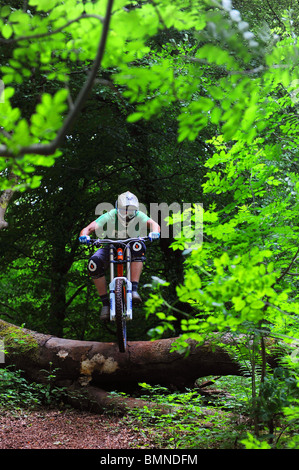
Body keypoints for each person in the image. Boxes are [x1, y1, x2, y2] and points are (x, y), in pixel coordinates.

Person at [79, 191, 160, 320]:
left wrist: (155, 232)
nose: (127, 213)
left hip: (131, 244)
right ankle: (105, 303)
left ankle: (133, 289)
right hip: (110, 245)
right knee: (93, 264)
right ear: (117, 209)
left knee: (138, 245)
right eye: (124, 210)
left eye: (131, 210)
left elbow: (154, 224)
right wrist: (84, 235)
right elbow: (89, 228)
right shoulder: (110, 215)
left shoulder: (139, 216)